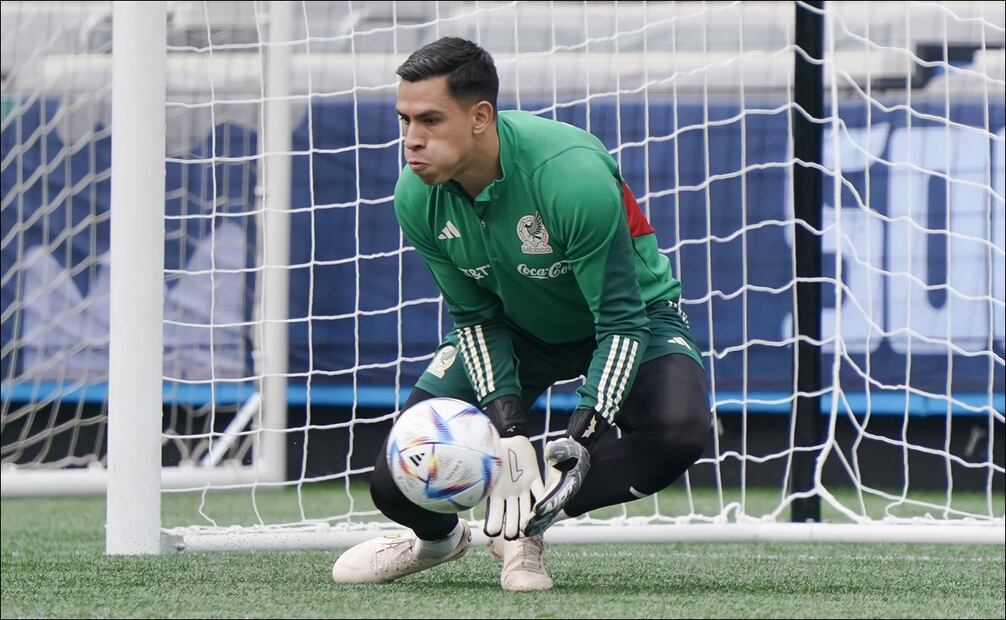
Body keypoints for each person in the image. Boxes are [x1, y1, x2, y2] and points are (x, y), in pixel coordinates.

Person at [331, 37, 710, 592]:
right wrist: (509, 432)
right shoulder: (416, 195)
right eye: (405, 120)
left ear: (480, 116)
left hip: (635, 318)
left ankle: (525, 528)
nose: (412, 141)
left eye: (431, 120)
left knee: (678, 432)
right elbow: (476, 319)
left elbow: (622, 323)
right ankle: (439, 541)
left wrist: (579, 438)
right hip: (515, 329)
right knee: (394, 482)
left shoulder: (570, 176)